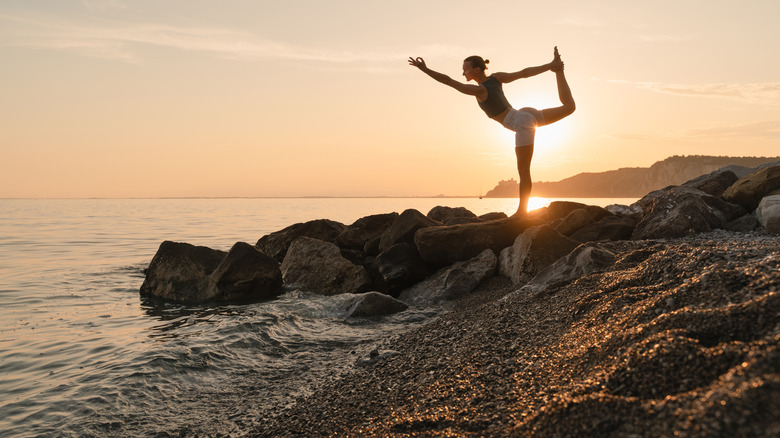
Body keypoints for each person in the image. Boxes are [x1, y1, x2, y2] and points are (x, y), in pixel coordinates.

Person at [408, 47, 575, 217]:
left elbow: (448, 81)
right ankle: (558, 70)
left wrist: (425, 69)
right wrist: (550, 65)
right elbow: (524, 73)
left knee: (524, 171)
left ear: (476, 70)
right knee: (569, 107)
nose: (463, 73)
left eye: (465, 69)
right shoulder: (497, 78)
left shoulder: (480, 91)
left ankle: (521, 212)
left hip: (520, 123)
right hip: (525, 113)